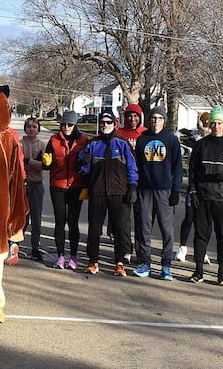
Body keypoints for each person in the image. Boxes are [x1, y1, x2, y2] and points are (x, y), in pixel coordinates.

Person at [78, 111, 138, 275]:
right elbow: (83, 165)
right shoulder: (93, 143)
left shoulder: (123, 143)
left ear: (114, 124)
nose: (105, 125)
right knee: (94, 229)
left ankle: (119, 262)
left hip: (119, 192)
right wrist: (83, 162)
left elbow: (132, 167)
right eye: (102, 122)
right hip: (97, 192)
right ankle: (93, 261)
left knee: (119, 229)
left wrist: (133, 186)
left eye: (108, 122)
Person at [187, 105, 223, 286]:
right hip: (202, 197)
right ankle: (198, 271)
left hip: (221, 198)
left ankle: (222, 274)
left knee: (222, 236)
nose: (216, 126)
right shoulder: (201, 145)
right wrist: (193, 191)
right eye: (213, 123)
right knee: (200, 235)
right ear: (209, 125)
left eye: (219, 123)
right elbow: (192, 171)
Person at [133, 106, 182, 280]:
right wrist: (134, 186)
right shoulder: (142, 139)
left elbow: (178, 167)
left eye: (159, 118)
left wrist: (176, 189)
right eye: (153, 118)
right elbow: (136, 165)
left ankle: (166, 265)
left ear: (164, 121)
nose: (155, 121)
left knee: (166, 230)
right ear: (149, 120)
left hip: (164, 191)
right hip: (145, 190)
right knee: (144, 227)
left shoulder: (171, 140)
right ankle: (145, 262)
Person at [42, 110, 88, 270]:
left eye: (69, 124)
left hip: (76, 187)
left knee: (73, 223)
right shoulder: (54, 140)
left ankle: (73, 256)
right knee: (60, 222)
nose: (66, 127)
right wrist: (46, 162)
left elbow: (88, 164)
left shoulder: (83, 140)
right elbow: (46, 164)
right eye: (63, 124)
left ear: (75, 125)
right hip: (58, 187)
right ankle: (60, 256)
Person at [176, 112, 212, 265]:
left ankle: (202, 251)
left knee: (206, 221)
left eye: (208, 125)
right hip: (193, 186)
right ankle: (182, 248)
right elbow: (179, 151)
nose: (206, 128)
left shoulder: (215, 142)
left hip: (210, 187)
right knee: (189, 217)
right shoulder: (191, 142)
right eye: (204, 124)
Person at [116, 104, 147, 264]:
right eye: (129, 115)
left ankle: (141, 251)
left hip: (141, 183)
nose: (132, 119)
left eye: (135, 116)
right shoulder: (119, 133)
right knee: (124, 219)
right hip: (123, 182)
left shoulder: (145, 133)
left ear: (140, 117)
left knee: (141, 218)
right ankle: (126, 249)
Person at [21, 117, 46, 261]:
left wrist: (29, 161)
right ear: (25, 128)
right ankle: (15, 244)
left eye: (34, 127)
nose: (31, 129)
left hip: (37, 185)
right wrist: (30, 162)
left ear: (38, 129)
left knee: (36, 218)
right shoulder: (20, 143)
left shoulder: (42, 145)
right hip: (23, 184)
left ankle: (35, 247)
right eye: (29, 126)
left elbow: (44, 165)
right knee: (22, 218)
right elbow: (18, 163)